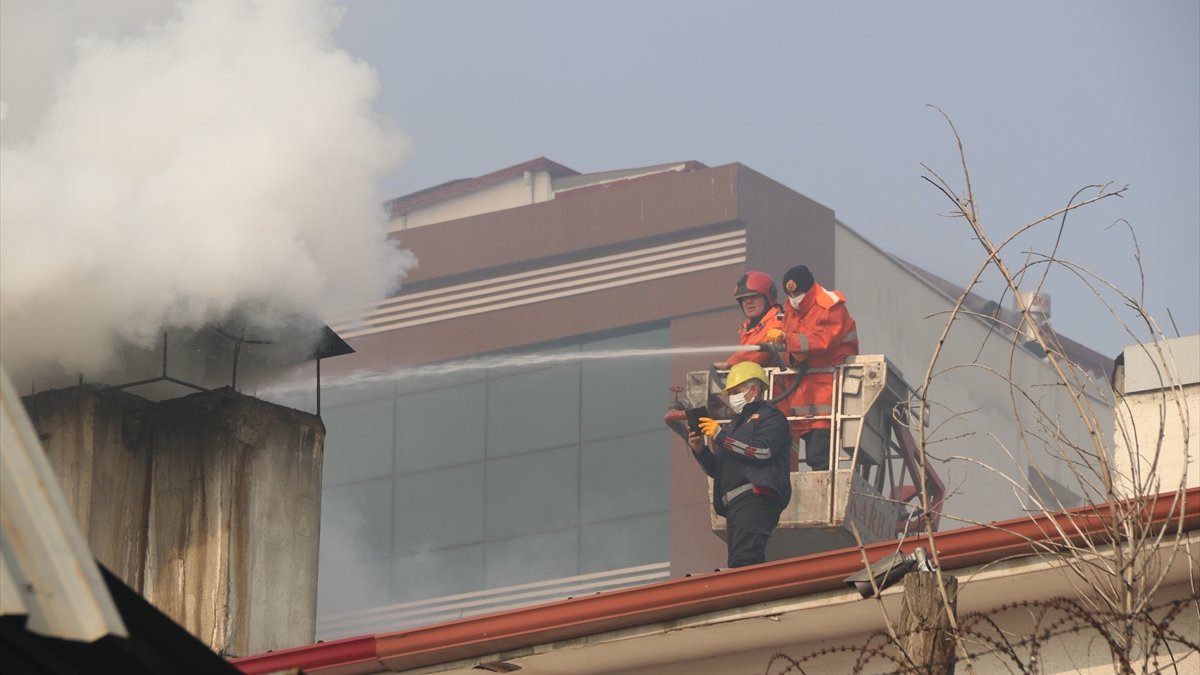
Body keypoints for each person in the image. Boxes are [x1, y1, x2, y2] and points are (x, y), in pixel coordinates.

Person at [687, 361, 793, 568]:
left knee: (745, 560)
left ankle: (752, 597)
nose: (732, 397)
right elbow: (721, 469)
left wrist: (719, 435)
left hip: (756, 497)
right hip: (735, 504)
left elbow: (762, 451)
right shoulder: (737, 425)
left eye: (736, 391)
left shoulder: (770, 417)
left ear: (754, 390)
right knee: (738, 560)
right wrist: (701, 450)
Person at [767, 264, 859, 471]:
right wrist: (785, 349)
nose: (794, 298)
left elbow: (821, 340)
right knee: (809, 446)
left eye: (798, 293)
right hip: (805, 391)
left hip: (828, 387)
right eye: (791, 294)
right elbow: (793, 347)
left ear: (809, 289)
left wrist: (787, 341)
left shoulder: (830, 305)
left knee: (819, 452)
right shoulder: (791, 308)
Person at [714, 271, 786, 370]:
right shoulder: (749, 328)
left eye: (754, 296)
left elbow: (757, 350)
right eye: (744, 298)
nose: (748, 301)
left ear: (769, 297)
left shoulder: (779, 322)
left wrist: (730, 364)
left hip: (779, 384)